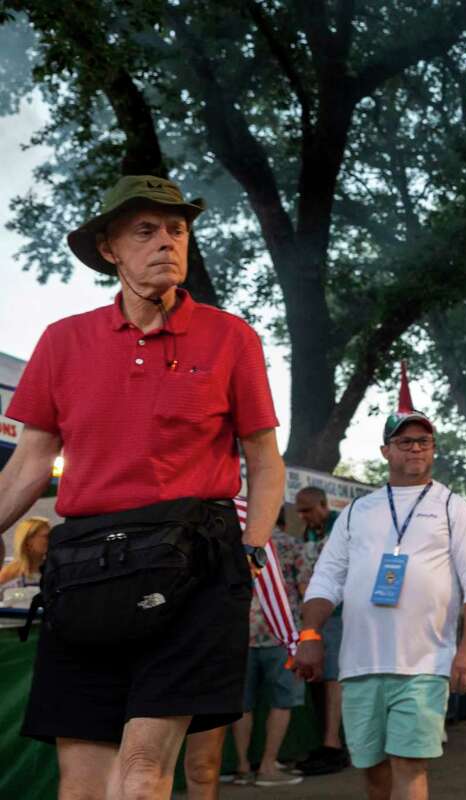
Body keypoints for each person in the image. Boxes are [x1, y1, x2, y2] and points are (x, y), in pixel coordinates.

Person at [0, 174, 284, 799]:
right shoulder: (62, 340)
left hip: (194, 567)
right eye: (146, 230)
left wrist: (252, 553)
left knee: (141, 776)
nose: (167, 242)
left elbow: (265, 462)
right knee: (81, 787)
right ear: (109, 248)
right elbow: (27, 466)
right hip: (86, 570)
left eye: (177, 230)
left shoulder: (231, 336)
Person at [294, 382, 466, 800]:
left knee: (409, 763)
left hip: (423, 661)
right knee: (372, 769)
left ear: (433, 448)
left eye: (423, 441)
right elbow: (327, 578)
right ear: (386, 451)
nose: (415, 449)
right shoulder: (357, 512)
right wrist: (310, 636)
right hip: (360, 663)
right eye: (405, 442)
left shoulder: (454, 506)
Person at [231, 507, 310, 786]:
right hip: (282, 632)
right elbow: (306, 590)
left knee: (242, 705)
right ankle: (267, 766)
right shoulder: (291, 544)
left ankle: (242, 767)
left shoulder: (236, 544)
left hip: (241, 633)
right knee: (282, 701)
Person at [292, 485, 349, 776]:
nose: (302, 516)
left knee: (333, 677)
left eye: (307, 510)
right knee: (318, 676)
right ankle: (326, 741)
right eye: (300, 511)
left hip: (340, 613)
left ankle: (333, 744)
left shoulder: (341, 524)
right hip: (315, 615)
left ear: (324, 505)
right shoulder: (309, 533)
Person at [0, 516, 50, 589]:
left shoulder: (55, 570)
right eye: (46, 536)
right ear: (28, 541)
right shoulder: (9, 574)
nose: (51, 539)